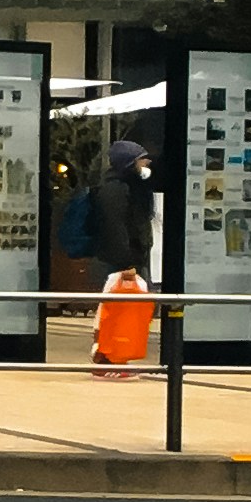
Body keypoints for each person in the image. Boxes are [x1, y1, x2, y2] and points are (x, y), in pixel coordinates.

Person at [89, 138, 160, 369]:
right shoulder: (115, 190)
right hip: (120, 260)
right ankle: (108, 354)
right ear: (129, 163)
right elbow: (115, 227)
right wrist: (125, 261)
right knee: (114, 311)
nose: (146, 164)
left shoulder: (130, 187)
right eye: (141, 160)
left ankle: (119, 353)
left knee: (127, 311)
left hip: (132, 257)